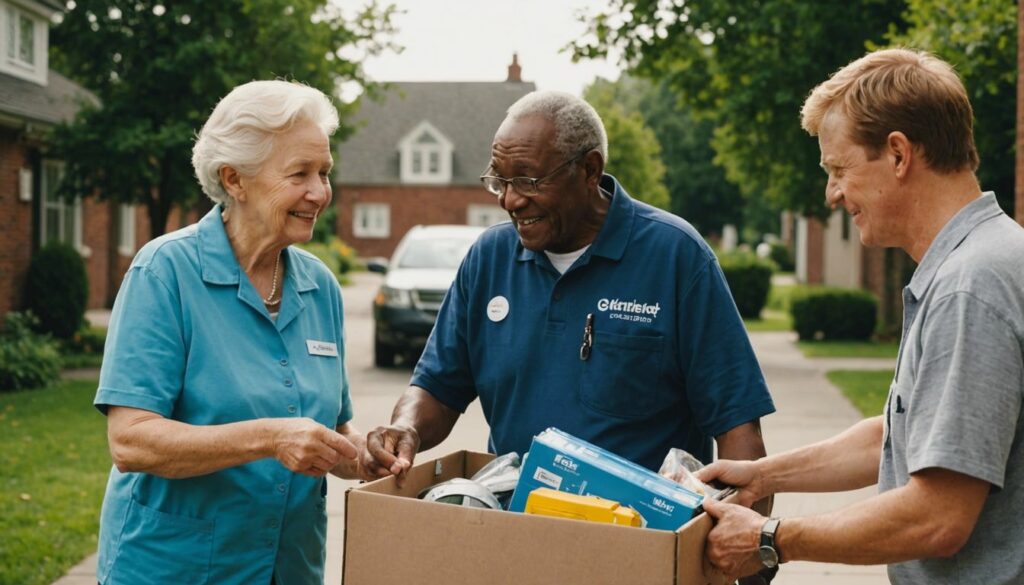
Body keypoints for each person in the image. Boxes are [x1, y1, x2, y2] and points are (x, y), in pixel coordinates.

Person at [697, 48, 1024, 584]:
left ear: (898, 154)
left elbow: (938, 517)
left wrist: (769, 539)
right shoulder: (975, 262)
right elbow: (896, 437)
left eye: (838, 168)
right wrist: (760, 476)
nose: (831, 194)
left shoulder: (971, 286)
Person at [362, 91, 774, 492]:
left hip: (642, 540)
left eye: (527, 180)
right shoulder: (490, 259)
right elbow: (437, 387)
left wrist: (746, 540)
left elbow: (737, 426)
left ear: (589, 170)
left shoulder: (676, 257)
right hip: (517, 528)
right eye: (499, 181)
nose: (510, 200)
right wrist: (406, 428)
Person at [93, 80, 371, 585]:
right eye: (299, 174)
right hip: (175, 568)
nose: (319, 192)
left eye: (324, 173)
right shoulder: (165, 273)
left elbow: (336, 426)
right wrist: (270, 437)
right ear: (234, 179)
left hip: (290, 569)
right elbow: (131, 441)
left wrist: (364, 452)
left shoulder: (320, 287)